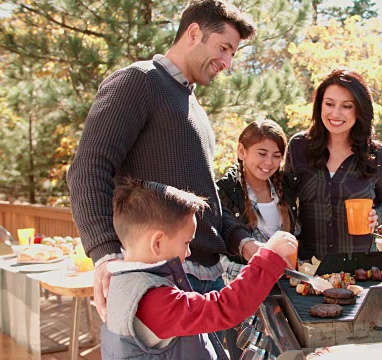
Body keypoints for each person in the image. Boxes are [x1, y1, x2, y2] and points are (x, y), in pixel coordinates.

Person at [66, 0, 267, 322]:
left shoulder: (194, 109)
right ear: (193, 32)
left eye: (233, 53)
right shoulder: (139, 81)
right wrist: (105, 252)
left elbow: (205, 200)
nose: (228, 62)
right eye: (224, 48)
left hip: (205, 277)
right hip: (159, 278)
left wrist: (243, 242)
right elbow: (89, 168)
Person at [101, 178, 296, 359]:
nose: (188, 253)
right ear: (157, 243)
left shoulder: (122, 283)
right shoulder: (152, 301)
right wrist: (269, 255)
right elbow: (223, 308)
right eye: (186, 243)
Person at [284, 67, 382, 260]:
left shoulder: (376, 154)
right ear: (320, 106)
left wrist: (377, 216)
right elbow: (285, 203)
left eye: (346, 106)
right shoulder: (298, 147)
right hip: (310, 266)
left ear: (359, 110)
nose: (335, 113)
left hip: (361, 267)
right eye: (329, 104)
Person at [216, 119, 298, 359]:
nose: (268, 163)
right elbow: (219, 254)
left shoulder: (287, 189)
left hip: (284, 295)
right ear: (242, 151)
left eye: (276, 155)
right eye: (261, 153)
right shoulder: (223, 192)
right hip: (243, 295)